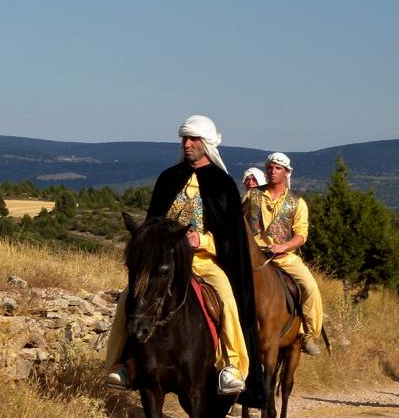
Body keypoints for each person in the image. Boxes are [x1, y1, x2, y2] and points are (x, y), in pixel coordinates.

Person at [104, 115, 266, 403]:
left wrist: (201, 240)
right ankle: (122, 365)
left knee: (226, 299)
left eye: (193, 139)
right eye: (184, 139)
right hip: (164, 265)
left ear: (206, 144)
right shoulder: (169, 179)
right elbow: (153, 224)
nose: (187, 144)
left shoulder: (222, 184)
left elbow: (232, 239)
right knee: (128, 298)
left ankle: (232, 367)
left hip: (203, 262)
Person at [244, 152, 324, 355]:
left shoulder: (297, 203)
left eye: (278, 168)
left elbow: (301, 235)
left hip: (284, 257)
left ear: (287, 172)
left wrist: (284, 247)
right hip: (254, 256)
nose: (272, 171)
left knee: (311, 287)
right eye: (270, 167)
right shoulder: (251, 196)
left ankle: (309, 334)